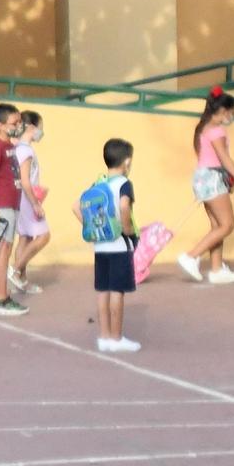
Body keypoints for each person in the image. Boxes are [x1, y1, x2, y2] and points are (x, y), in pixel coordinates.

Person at [178, 88, 234, 284]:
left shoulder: (204, 127)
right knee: (227, 225)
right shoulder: (217, 131)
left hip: (203, 178)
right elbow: (225, 159)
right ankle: (191, 256)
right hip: (212, 178)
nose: (232, 117)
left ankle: (216, 269)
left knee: (217, 226)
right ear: (223, 110)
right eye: (231, 112)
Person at [91, 138, 140, 353]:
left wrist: (94, 228)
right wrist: (127, 230)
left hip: (100, 245)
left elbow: (77, 207)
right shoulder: (124, 184)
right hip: (119, 244)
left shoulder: (98, 183)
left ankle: (104, 337)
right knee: (117, 291)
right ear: (127, 162)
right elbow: (124, 207)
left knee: (103, 290)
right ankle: (117, 337)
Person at [0, 103, 28, 316]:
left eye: (19, 122)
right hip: (2, 207)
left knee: (7, 250)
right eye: (14, 123)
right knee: (2, 252)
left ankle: (3, 295)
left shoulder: (10, 146)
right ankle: (0, 299)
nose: (18, 126)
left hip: (12, 205)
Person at [9, 110, 50, 295]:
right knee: (44, 236)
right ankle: (15, 270)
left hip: (22, 198)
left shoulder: (19, 148)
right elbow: (26, 181)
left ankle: (21, 280)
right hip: (27, 199)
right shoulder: (25, 150)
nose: (41, 132)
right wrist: (35, 203)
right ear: (31, 127)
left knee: (25, 238)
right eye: (39, 127)